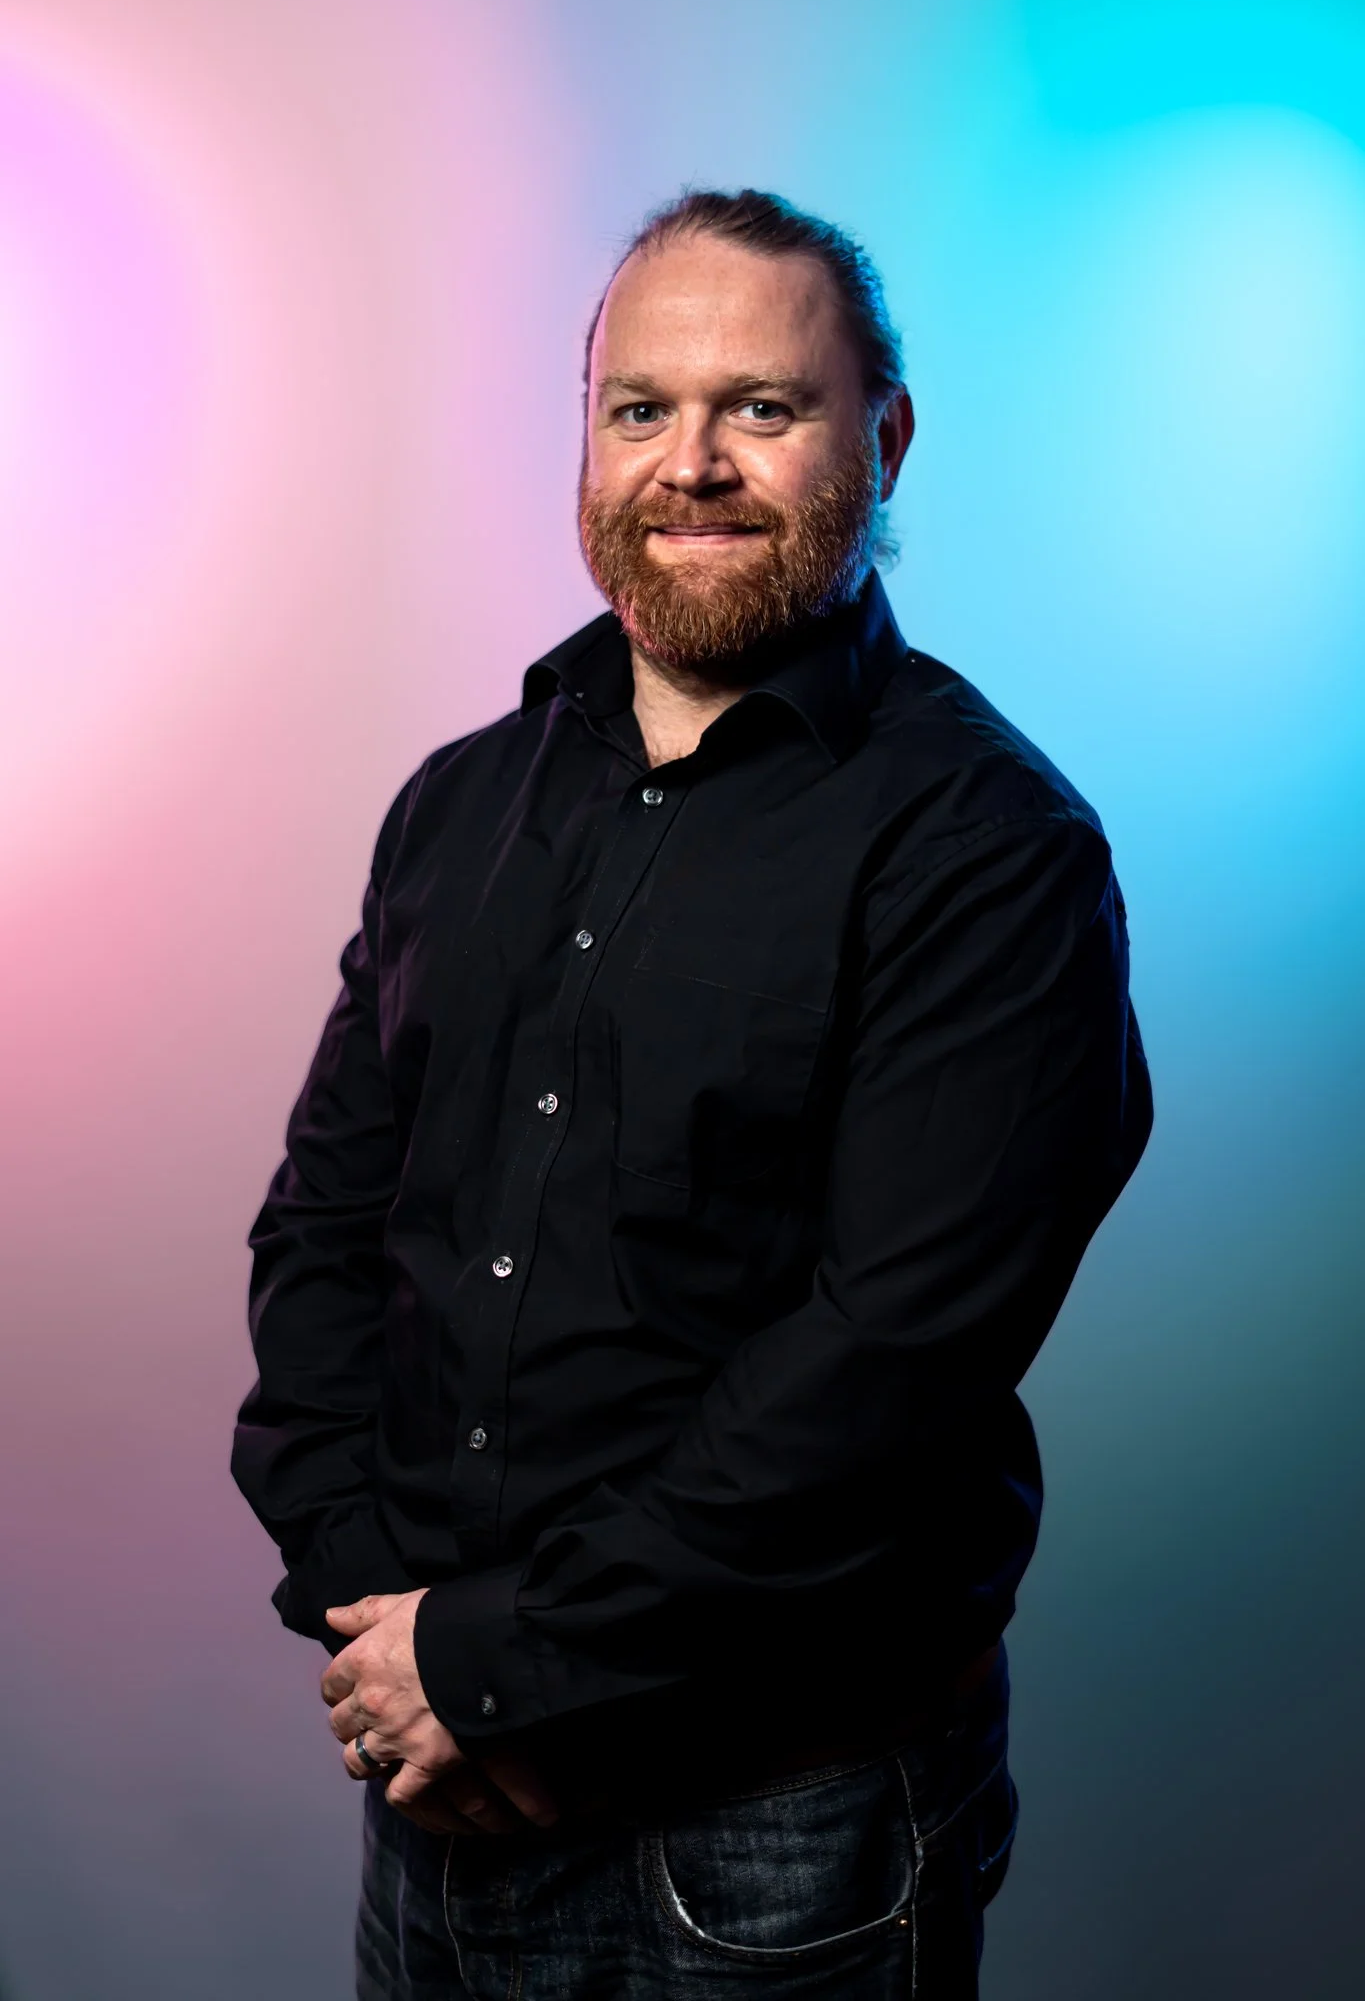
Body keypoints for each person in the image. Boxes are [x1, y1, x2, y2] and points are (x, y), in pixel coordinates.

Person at [233, 187, 1152, 1999]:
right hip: (425, 1777)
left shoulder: (990, 850)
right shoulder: (459, 801)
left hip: (770, 1827)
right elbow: (328, 1237)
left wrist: (493, 1662)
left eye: (764, 407)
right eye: (641, 408)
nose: (694, 463)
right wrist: (382, 1634)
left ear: (881, 438)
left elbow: (882, 1377)